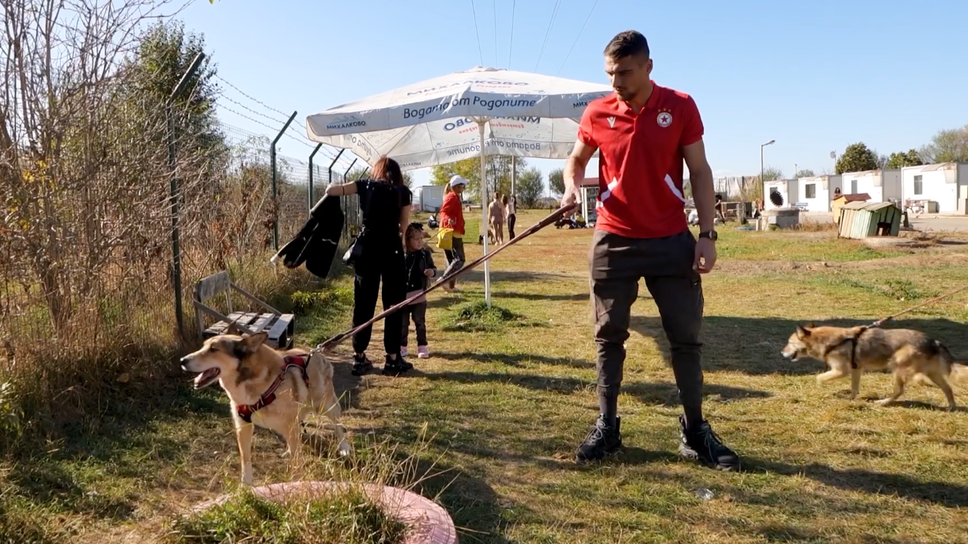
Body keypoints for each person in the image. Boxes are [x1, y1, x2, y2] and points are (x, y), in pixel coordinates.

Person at [561, 30, 740, 470]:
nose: (616, 82)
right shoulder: (598, 111)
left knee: (686, 339)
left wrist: (707, 234)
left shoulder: (679, 105)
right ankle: (607, 427)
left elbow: (699, 170)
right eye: (610, 73)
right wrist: (570, 187)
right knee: (608, 338)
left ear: (648, 67)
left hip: (669, 241)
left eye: (624, 72)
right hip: (613, 239)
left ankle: (695, 430)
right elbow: (577, 161)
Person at [325, 156, 413, 377]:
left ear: (376, 171)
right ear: (396, 173)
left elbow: (332, 190)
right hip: (392, 250)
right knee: (393, 304)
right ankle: (392, 359)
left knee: (363, 303)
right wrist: (403, 241)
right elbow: (404, 225)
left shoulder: (364, 185)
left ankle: (359, 357)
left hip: (367, 251)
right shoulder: (403, 192)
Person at [400, 222, 436, 359]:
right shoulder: (402, 255)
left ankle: (422, 346)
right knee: (403, 323)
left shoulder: (425, 254)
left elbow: (433, 268)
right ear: (408, 240)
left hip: (419, 295)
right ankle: (402, 346)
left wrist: (431, 272)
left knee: (419, 321)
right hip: (404, 296)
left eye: (421, 238)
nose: (420, 242)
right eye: (416, 239)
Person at [439, 176, 467, 292]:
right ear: (457, 187)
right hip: (452, 233)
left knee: (451, 261)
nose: (464, 188)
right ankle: (444, 279)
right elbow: (444, 211)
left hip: (450, 231)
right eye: (462, 186)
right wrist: (448, 220)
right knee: (459, 259)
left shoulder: (454, 197)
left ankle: (450, 286)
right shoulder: (452, 197)